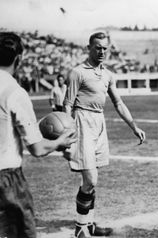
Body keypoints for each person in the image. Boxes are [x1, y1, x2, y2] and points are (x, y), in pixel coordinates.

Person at [63, 32, 146, 238]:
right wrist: (66, 134)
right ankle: (81, 228)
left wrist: (134, 126)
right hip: (82, 122)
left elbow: (118, 103)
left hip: (99, 123)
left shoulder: (108, 75)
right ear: (89, 48)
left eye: (104, 48)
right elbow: (67, 104)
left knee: (94, 179)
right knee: (90, 179)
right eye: (97, 47)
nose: (101, 51)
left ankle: (89, 224)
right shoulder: (78, 72)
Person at [0, 32, 76, 238]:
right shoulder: (15, 92)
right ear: (19, 59)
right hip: (6, 177)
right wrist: (60, 142)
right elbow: (37, 148)